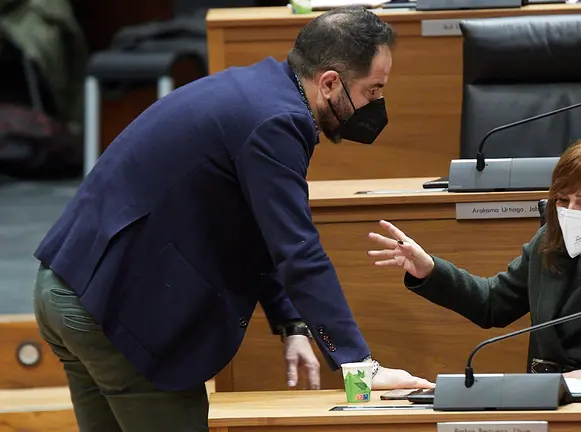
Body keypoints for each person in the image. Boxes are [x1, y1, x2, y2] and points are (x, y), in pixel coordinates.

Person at [32, 6, 432, 432]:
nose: (376, 105)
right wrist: (358, 365)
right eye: (373, 90)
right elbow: (299, 251)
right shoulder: (278, 121)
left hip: (65, 287)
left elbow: (260, 226)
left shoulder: (258, 91)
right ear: (330, 82)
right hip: (114, 310)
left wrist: (291, 322)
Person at [367, 134, 581, 384]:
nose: (570, 213)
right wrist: (429, 269)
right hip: (547, 408)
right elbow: (492, 304)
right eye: (562, 200)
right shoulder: (549, 244)